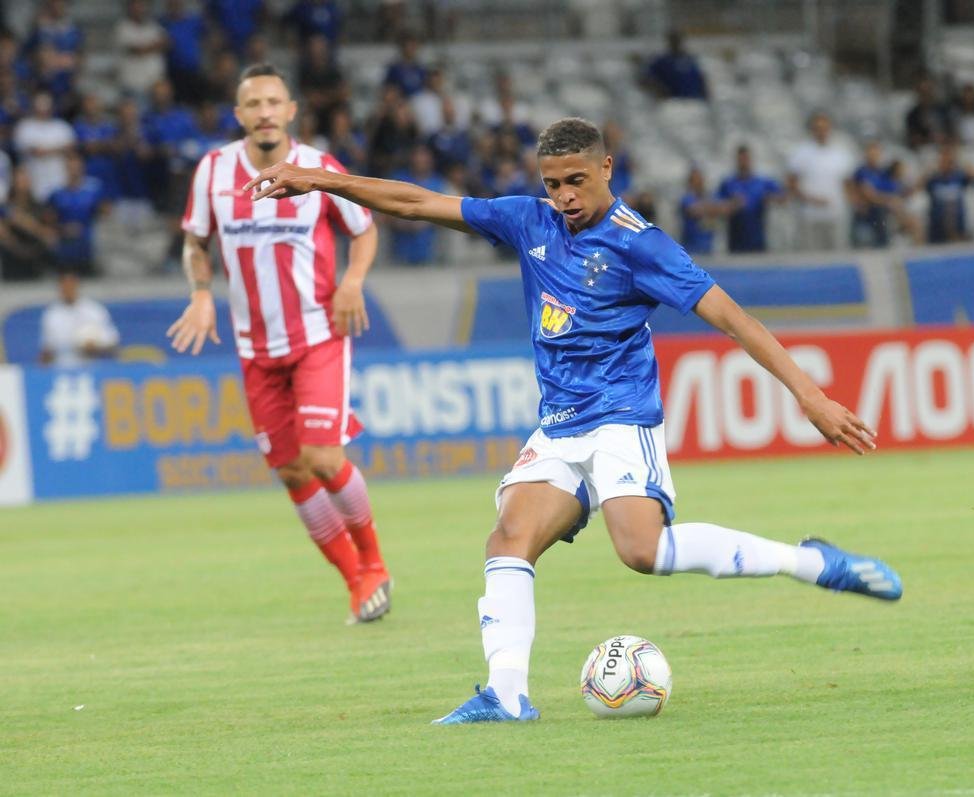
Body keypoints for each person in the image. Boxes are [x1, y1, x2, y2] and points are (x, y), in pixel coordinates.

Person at [244, 116, 902, 724]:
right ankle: (506, 694)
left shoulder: (641, 245)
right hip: (559, 426)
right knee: (507, 541)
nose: (564, 195)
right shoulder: (527, 222)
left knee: (642, 551)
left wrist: (809, 396)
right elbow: (414, 201)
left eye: (576, 181)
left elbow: (733, 318)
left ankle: (805, 560)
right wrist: (319, 182)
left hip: (621, 418)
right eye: (553, 182)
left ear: (607, 168)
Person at [167, 63, 391, 624]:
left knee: (321, 456)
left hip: (318, 334)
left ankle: (375, 563)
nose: (264, 111)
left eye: (274, 101)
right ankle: (356, 582)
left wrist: (352, 282)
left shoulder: (318, 168)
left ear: (291, 111)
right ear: (239, 115)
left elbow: (364, 230)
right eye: (253, 103)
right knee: (291, 471)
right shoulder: (214, 171)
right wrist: (200, 293)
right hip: (254, 347)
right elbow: (195, 242)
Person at [787, 112, 856, 251]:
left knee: (837, 256)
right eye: (817, 128)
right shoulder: (801, 153)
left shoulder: (840, 154)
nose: (821, 132)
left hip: (835, 214)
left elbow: (848, 184)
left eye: (824, 128)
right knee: (812, 256)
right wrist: (810, 199)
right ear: (812, 130)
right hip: (810, 215)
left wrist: (850, 203)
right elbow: (791, 184)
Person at [39, 269, 119, 366]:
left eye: (70, 285)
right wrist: (46, 357)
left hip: (91, 367)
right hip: (62, 368)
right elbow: (47, 349)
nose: (68, 289)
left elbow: (113, 344)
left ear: (77, 285)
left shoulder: (94, 310)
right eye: (64, 286)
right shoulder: (52, 315)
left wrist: (95, 347)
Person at [717, 145, 785, 253]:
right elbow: (716, 207)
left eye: (746, 159)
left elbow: (782, 197)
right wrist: (732, 205)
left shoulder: (762, 182)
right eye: (741, 159)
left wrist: (769, 198)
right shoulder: (728, 183)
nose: (744, 162)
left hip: (758, 239)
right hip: (735, 241)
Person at [923, 143, 974, 244]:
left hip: (958, 226)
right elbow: (918, 186)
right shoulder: (934, 178)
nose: (946, 162)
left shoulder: (959, 177)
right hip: (937, 227)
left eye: (949, 160)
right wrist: (930, 167)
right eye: (943, 159)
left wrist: (960, 160)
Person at [678, 166, 732, 256]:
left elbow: (726, 209)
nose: (699, 182)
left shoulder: (709, 197)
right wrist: (713, 209)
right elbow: (694, 210)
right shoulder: (686, 198)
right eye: (696, 180)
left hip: (708, 249)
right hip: (691, 249)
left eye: (700, 179)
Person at [644, 30, 707, 100]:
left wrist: (705, 96)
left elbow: (700, 79)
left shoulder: (690, 59)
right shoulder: (662, 61)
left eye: (678, 40)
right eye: (673, 40)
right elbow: (645, 78)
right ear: (669, 42)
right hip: (673, 103)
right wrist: (659, 90)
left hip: (695, 101)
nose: (676, 43)